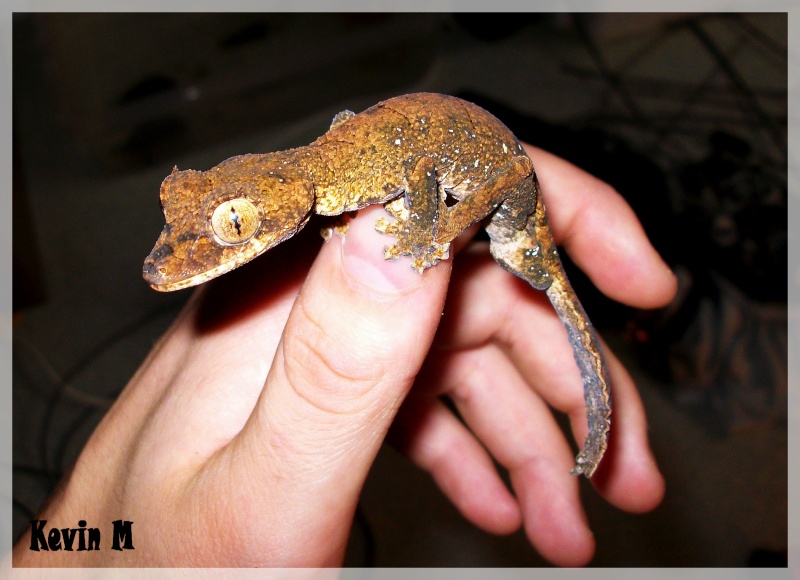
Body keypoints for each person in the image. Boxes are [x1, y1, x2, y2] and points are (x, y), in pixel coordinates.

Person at [12, 145, 676, 568]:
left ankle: (595, 432)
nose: (168, 256)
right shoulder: (328, 178)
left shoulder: (349, 176)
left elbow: (420, 170)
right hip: (433, 149)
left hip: (502, 194)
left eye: (236, 226)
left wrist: (430, 232)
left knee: (566, 312)